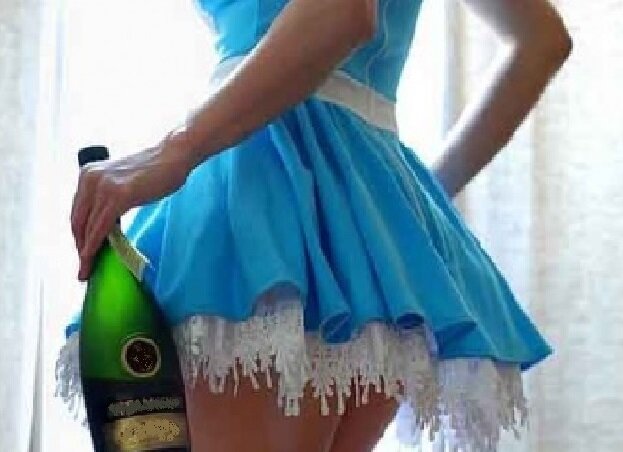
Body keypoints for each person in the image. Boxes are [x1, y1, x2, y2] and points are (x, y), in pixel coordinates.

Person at [57, 0, 572, 451]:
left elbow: (342, 11)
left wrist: (174, 150)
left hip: (262, 194)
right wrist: (402, 213)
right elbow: (541, 41)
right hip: (369, 221)